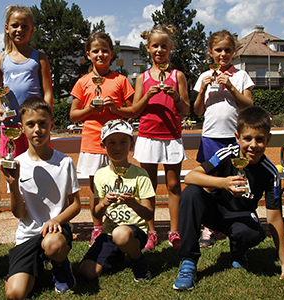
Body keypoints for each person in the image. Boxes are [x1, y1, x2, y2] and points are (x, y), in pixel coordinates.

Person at [173, 106, 284, 291]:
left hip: (241, 216)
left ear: (268, 139)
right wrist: (224, 183)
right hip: (216, 213)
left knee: (252, 234)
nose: (253, 145)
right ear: (237, 137)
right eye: (247, 139)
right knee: (190, 193)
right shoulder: (227, 154)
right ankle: (188, 262)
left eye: (260, 140)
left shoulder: (270, 173)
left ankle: (238, 251)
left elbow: (274, 217)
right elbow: (190, 177)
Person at [2, 96, 81, 299]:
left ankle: (61, 266)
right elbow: (19, 213)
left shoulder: (64, 162)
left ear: (51, 125)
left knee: (52, 245)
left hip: (55, 232)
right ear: (21, 128)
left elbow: (76, 205)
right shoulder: (17, 164)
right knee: (14, 294)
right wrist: (12, 184)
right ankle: (34, 267)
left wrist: (56, 220)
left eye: (43, 123)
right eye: (31, 124)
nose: (37, 129)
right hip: (28, 235)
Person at [70, 31, 135, 247]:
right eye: (95, 51)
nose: (100, 54)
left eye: (105, 50)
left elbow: (133, 110)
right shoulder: (83, 82)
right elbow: (73, 115)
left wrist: (115, 108)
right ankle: (97, 228)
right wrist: (89, 109)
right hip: (91, 142)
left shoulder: (121, 80)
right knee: (95, 189)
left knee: (118, 184)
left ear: (112, 53)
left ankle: (117, 225)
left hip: (116, 144)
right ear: (88, 54)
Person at [193, 30, 254, 248]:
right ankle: (208, 228)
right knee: (211, 183)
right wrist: (202, 90)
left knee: (236, 181)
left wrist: (230, 86)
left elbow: (248, 105)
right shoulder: (204, 76)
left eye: (228, 50)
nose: (223, 54)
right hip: (211, 137)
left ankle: (235, 223)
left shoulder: (241, 75)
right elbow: (198, 111)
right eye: (218, 50)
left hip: (235, 139)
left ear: (234, 52)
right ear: (210, 52)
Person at [131, 24, 190, 250]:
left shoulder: (178, 76)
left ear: (170, 48)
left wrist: (175, 96)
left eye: (164, 46)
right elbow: (136, 109)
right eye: (155, 46)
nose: (159, 50)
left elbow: (185, 110)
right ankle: (151, 231)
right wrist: (147, 95)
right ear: (148, 47)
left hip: (172, 137)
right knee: (149, 186)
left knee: (174, 185)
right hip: (148, 136)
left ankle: (175, 231)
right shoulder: (142, 77)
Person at [78, 119, 155, 282]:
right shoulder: (100, 175)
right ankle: (118, 254)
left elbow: (149, 214)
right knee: (86, 272)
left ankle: (138, 259)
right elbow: (96, 213)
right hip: (108, 232)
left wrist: (133, 203)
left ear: (131, 145)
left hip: (135, 231)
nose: (118, 147)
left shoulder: (141, 174)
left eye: (123, 141)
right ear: (103, 146)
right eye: (111, 142)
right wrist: (104, 203)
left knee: (120, 234)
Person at [0, 5, 53, 160]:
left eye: (25, 26)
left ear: (32, 29)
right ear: (6, 28)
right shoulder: (0, 60)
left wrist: (47, 117)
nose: (19, 30)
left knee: (40, 165)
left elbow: (48, 91)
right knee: (12, 167)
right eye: (15, 25)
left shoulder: (40, 57)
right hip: (11, 125)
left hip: (34, 125)